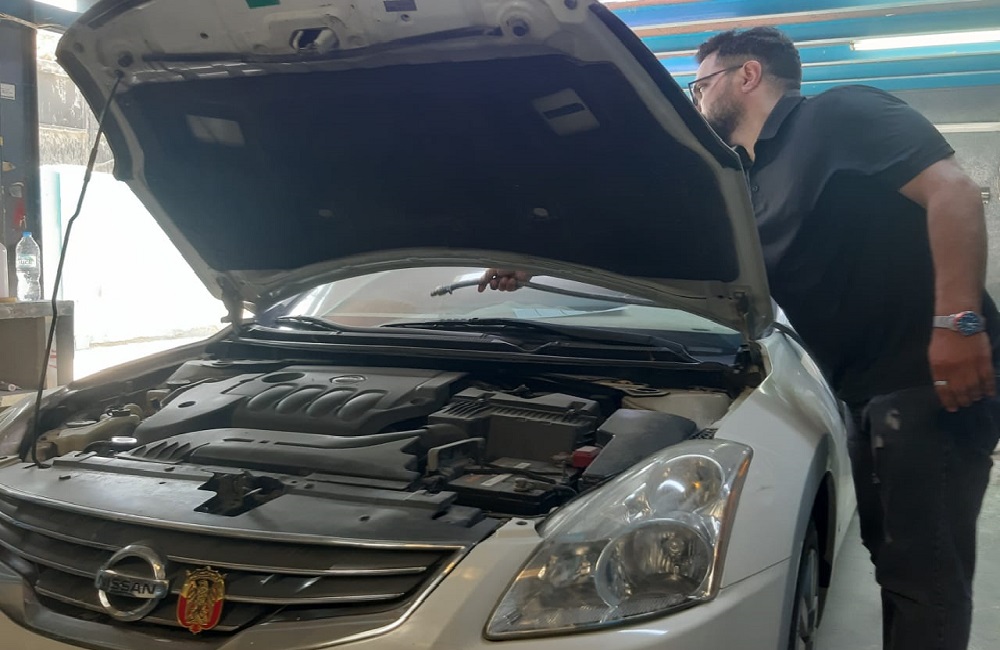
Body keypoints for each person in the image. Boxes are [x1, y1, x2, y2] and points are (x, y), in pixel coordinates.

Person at [479, 27, 999, 650]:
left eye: (700, 85)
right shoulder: (751, 181)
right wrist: (538, 262)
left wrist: (958, 323)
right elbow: (673, 263)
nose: (696, 101)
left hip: (927, 378)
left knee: (926, 573)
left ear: (747, 75)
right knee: (895, 559)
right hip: (864, 389)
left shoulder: (838, 114)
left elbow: (953, 191)